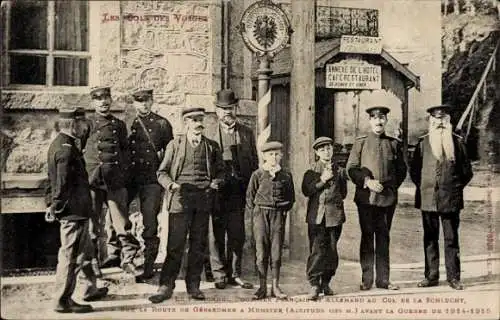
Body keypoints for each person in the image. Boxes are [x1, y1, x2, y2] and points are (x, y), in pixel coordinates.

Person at [149, 107, 224, 303]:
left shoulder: (212, 147)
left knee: (198, 245)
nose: (198, 123)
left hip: (203, 200)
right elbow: (161, 173)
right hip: (180, 200)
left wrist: (217, 182)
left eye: (200, 119)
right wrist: (171, 185)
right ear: (186, 123)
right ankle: (166, 286)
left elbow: (221, 172)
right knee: (175, 245)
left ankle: (193, 286)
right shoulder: (175, 145)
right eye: (193, 120)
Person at [46, 107, 108, 313]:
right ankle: (62, 300)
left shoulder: (61, 144)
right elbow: (61, 183)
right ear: (73, 125)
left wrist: (52, 202)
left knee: (85, 251)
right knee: (71, 256)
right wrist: (55, 205)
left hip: (78, 210)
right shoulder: (66, 149)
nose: (86, 127)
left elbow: (51, 180)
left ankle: (89, 288)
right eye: (82, 123)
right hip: (73, 212)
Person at [410, 105, 473, 290]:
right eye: (436, 119)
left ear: (448, 121)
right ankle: (431, 276)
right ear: (431, 121)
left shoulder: (458, 142)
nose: (439, 123)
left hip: (451, 199)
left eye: (443, 119)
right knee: (429, 238)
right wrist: (426, 188)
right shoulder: (423, 143)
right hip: (428, 198)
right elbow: (414, 171)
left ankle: (454, 277)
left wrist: (453, 188)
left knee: (451, 239)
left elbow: (467, 172)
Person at [346, 106, 407, 291]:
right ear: (370, 121)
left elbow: (402, 171)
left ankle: (383, 280)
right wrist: (367, 182)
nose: (378, 122)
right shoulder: (361, 143)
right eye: (374, 118)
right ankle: (367, 279)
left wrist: (389, 187)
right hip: (366, 199)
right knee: (367, 237)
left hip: (387, 200)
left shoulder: (394, 143)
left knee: (383, 238)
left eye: (382, 119)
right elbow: (351, 169)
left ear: (386, 121)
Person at [204, 89, 258, 290]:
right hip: (217, 192)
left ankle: (235, 273)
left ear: (236, 108)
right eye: (222, 109)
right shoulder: (209, 133)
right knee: (216, 234)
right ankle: (219, 274)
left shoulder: (247, 132)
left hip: (238, 192)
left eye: (230, 108)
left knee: (237, 234)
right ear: (216, 111)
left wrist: (251, 190)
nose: (227, 112)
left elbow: (253, 163)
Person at [83, 86, 140, 275]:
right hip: (93, 179)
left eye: (106, 98)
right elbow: (80, 151)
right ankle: (92, 263)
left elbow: (125, 152)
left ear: (111, 100)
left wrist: (123, 175)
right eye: (99, 99)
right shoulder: (87, 124)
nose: (103, 102)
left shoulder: (119, 124)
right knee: (93, 224)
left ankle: (128, 259)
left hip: (115, 180)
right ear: (93, 102)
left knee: (122, 223)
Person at [127, 88, 174, 283]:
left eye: (146, 101)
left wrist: (163, 175)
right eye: (139, 102)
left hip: (151, 181)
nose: (143, 105)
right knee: (121, 221)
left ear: (152, 101)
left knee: (150, 223)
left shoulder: (162, 124)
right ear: (134, 103)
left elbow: (170, 153)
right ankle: (127, 259)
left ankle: (147, 265)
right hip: (130, 180)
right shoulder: (128, 124)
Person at [246, 141, 295, 300]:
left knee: (276, 252)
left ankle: (275, 286)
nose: (273, 157)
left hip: (278, 216)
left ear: (281, 156)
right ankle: (261, 287)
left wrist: (281, 210)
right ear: (264, 156)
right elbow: (250, 197)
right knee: (261, 252)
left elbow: (291, 197)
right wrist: (257, 213)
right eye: (270, 154)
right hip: (260, 215)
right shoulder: (258, 174)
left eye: (276, 154)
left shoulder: (286, 175)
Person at [302, 137, 348, 300]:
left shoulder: (340, 170)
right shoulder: (311, 171)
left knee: (332, 251)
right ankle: (314, 284)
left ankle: (326, 282)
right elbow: (307, 190)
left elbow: (343, 192)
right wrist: (322, 180)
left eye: (328, 148)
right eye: (322, 150)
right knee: (317, 251)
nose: (326, 152)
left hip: (334, 217)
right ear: (316, 153)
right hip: (317, 217)